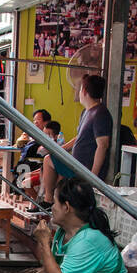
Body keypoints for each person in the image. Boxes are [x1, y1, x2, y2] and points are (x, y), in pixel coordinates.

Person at [0, 176, 133, 273]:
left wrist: (44, 243)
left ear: (67, 207)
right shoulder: (64, 233)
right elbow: (51, 272)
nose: (52, 207)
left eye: (55, 202)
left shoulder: (87, 240)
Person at [40, 73, 113, 203]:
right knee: (52, 161)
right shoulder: (86, 112)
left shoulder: (100, 113)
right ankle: (56, 203)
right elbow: (78, 138)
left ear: (84, 91)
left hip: (85, 169)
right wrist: (60, 149)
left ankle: (48, 200)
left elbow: (103, 145)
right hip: (76, 163)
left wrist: (93, 177)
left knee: (48, 160)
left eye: (79, 89)